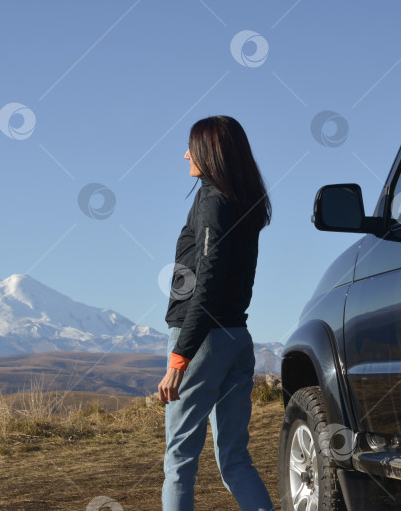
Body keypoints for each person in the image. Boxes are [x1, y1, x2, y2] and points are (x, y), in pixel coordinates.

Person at [158, 115, 275, 511]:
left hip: (202, 341)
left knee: (179, 462)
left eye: (192, 146)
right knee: (235, 460)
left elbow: (207, 282)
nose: (185, 153)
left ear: (209, 152)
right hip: (237, 338)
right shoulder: (244, 202)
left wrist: (179, 357)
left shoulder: (212, 201)